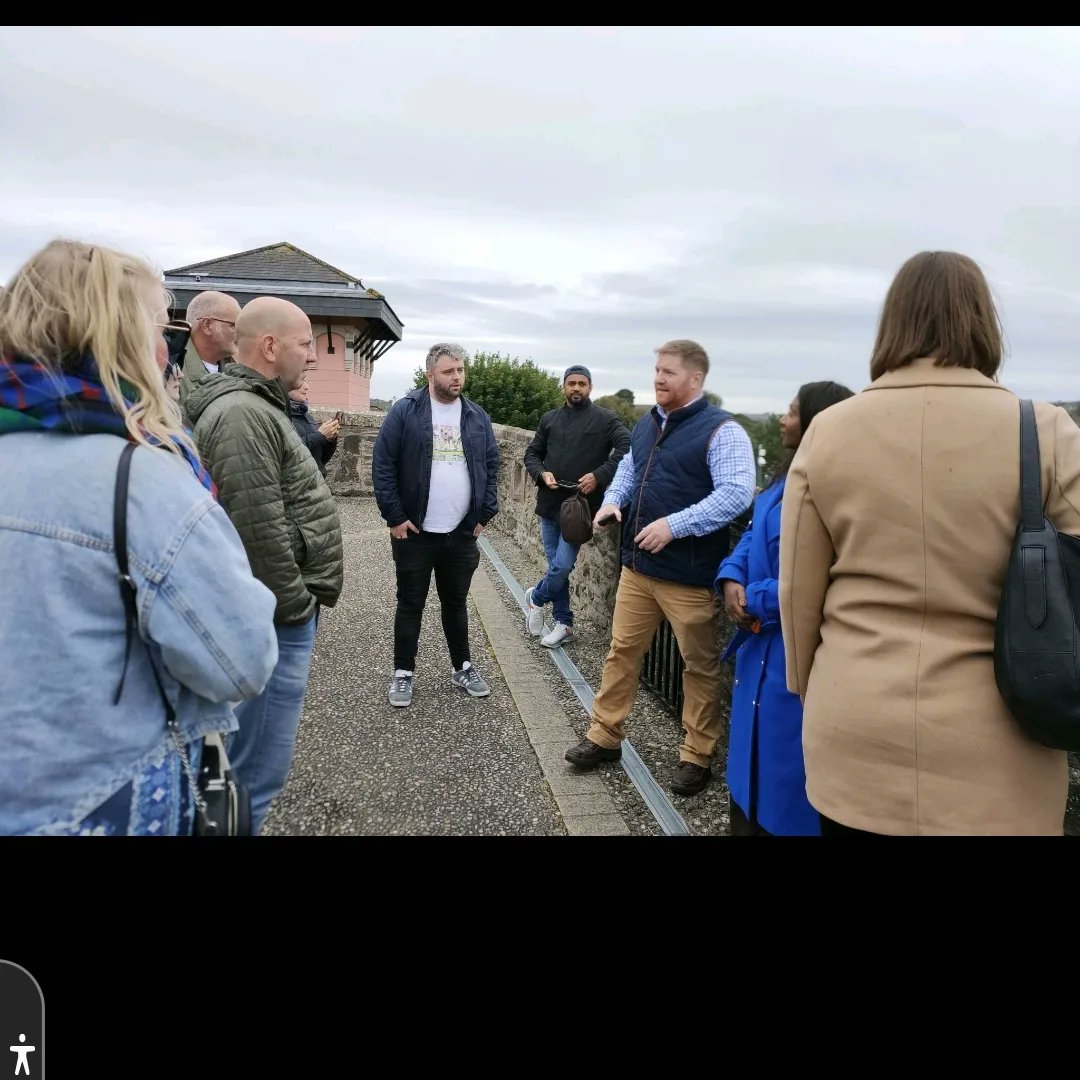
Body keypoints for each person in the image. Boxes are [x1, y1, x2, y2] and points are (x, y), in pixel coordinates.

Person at [780, 250, 1080, 836]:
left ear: (893, 323)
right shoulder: (1045, 430)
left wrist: (813, 690)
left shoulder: (830, 430)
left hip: (854, 730)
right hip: (1004, 743)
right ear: (982, 320)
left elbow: (797, 592)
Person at [0, 238, 278, 835]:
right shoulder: (142, 481)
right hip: (103, 798)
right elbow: (242, 660)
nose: (165, 349)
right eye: (158, 329)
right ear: (118, 337)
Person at [564, 339, 756, 796]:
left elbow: (735, 495)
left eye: (668, 372)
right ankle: (605, 736)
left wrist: (674, 525)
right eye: (657, 370)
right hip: (638, 568)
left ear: (696, 379)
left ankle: (697, 754)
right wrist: (613, 503)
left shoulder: (723, 431)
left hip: (688, 576)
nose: (658, 378)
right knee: (621, 652)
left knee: (698, 667)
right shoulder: (648, 423)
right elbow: (630, 470)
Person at [186, 296, 344, 834]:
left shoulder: (256, 406)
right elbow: (256, 530)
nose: (313, 356)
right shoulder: (242, 414)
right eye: (305, 344)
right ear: (271, 347)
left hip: (274, 613)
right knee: (250, 771)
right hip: (274, 618)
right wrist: (297, 609)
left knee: (234, 760)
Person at [716, 381, 854, 836]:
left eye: (792, 411)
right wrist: (732, 575)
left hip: (795, 652)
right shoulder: (786, 475)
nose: (782, 418)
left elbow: (829, 573)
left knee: (786, 777)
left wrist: (753, 597)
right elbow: (754, 533)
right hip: (758, 651)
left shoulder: (840, 485)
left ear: (817, 419)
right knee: (748, 776)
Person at [372, 342, 499, 707]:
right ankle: (403, 673)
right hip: (415, 530)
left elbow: (491, 466)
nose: (457, 377)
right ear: (430, 374)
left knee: (455, 602)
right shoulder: (405, 412)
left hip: (461, 532)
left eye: (460, 369)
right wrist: (394, 516)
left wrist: (484, 513)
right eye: (448, 371)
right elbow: (383, 465)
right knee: (410, 601)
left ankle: (462, 666)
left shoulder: (477, 417)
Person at [523, 365, 631, 647]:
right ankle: (564, 623)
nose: (576, 388)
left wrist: (599, 475)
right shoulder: (550, 419)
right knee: (555, 566)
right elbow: (532, 453)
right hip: (549, 505)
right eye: (571, 383)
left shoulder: (605, 419)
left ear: (590, 388)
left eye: (582, 384)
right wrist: (541, 473)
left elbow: (627, 447)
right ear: (564, 387)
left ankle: (535, 598)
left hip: (579, 509)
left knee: (561, 567)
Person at [178, 290, 241, 412]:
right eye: (234, 325)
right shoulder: (170, 370)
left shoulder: (237, 371)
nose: (241, 332)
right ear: (207, 325)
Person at [288, 372, 339, 477]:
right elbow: (289, 454)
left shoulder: (305, 414)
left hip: (315, 483)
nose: (307, 387)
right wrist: (320, 435)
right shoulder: (281, 415)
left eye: (307, 381)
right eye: (302, 381)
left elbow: (320, 460)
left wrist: (329, 440)